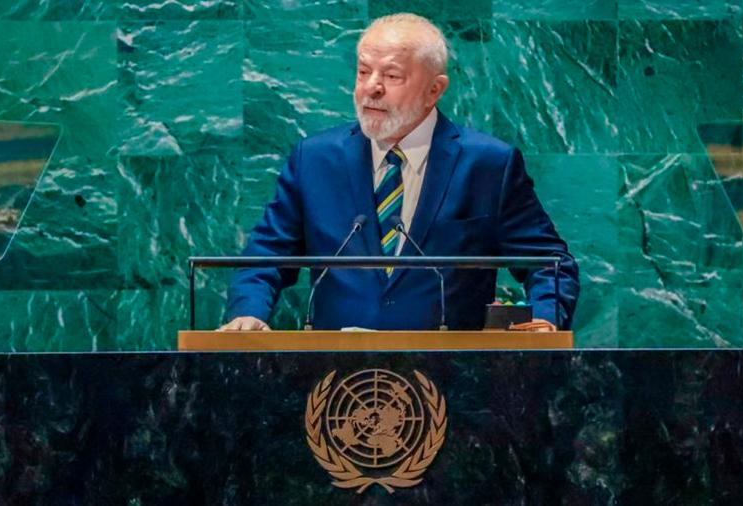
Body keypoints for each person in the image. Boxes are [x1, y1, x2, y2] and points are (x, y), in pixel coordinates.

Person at [221, 13, 579, 331]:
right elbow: (264, 257)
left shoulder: (488, 164)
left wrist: (544, 321)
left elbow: (549, 264)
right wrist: (248, 313)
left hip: (452, 374)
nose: (372, 87)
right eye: (364, 72)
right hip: (336, 375)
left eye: (392, 75)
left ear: (434, 90)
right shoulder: (314, 159)